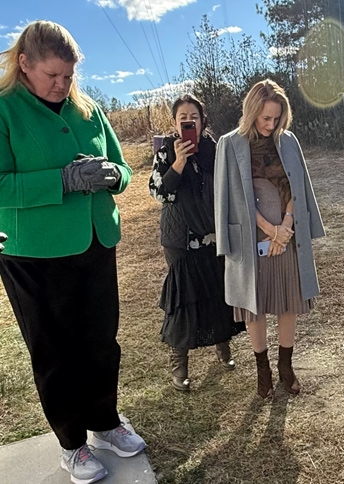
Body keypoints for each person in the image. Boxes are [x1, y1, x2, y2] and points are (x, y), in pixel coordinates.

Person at [0, 21, 146, 484]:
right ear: (25, 64)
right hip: (34, 255)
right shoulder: (4, 109)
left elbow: (123, 167)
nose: (62, 85)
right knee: (55, 352)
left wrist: (113, 175)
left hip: (95, 242)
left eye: (68, 76)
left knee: (101, 341)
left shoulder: (88, 109)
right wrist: (61, 180)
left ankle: (105, 421)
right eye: (53, 75)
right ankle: (71, 443)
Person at [215, 79, 325, 399]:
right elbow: (231, 198)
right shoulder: (230, 144)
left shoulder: (287, 141)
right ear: (252, 112)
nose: (271, 124)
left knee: (289, 300)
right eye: (265, 118)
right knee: (256, 305)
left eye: (276, 118)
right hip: (252, 239)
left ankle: (285, 366)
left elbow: (296, 188)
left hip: (287, 236)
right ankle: (262, 368)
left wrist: (286, 227)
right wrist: (269, 229)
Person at [149, 94, 245, 392]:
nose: (189, 121)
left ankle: (222, 346)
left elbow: (229, 187)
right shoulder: (166, 151)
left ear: (203, 121)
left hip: (213, 234)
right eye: (183, 118)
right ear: (174, 123)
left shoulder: (215, 149)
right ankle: (179, 365)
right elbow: (159, 193)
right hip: (181, 237)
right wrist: (178, 163)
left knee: (218, 291)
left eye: (194, 116)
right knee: (184, 300)